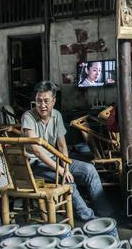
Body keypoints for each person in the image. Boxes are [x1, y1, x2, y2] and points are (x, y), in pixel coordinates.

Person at [21, 81, 112, 222]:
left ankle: (105, 214)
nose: (42, 105)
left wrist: (66, 166)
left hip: (55, 159)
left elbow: (62, 146)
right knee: (68, 181)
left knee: (89, 169)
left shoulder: (56, 115)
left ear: (53, 101)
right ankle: (89, 218)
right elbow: (37, 151)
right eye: (38, 101)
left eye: (46, 101)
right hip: (35, 165)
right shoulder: (28, 116)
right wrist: (62, 171)